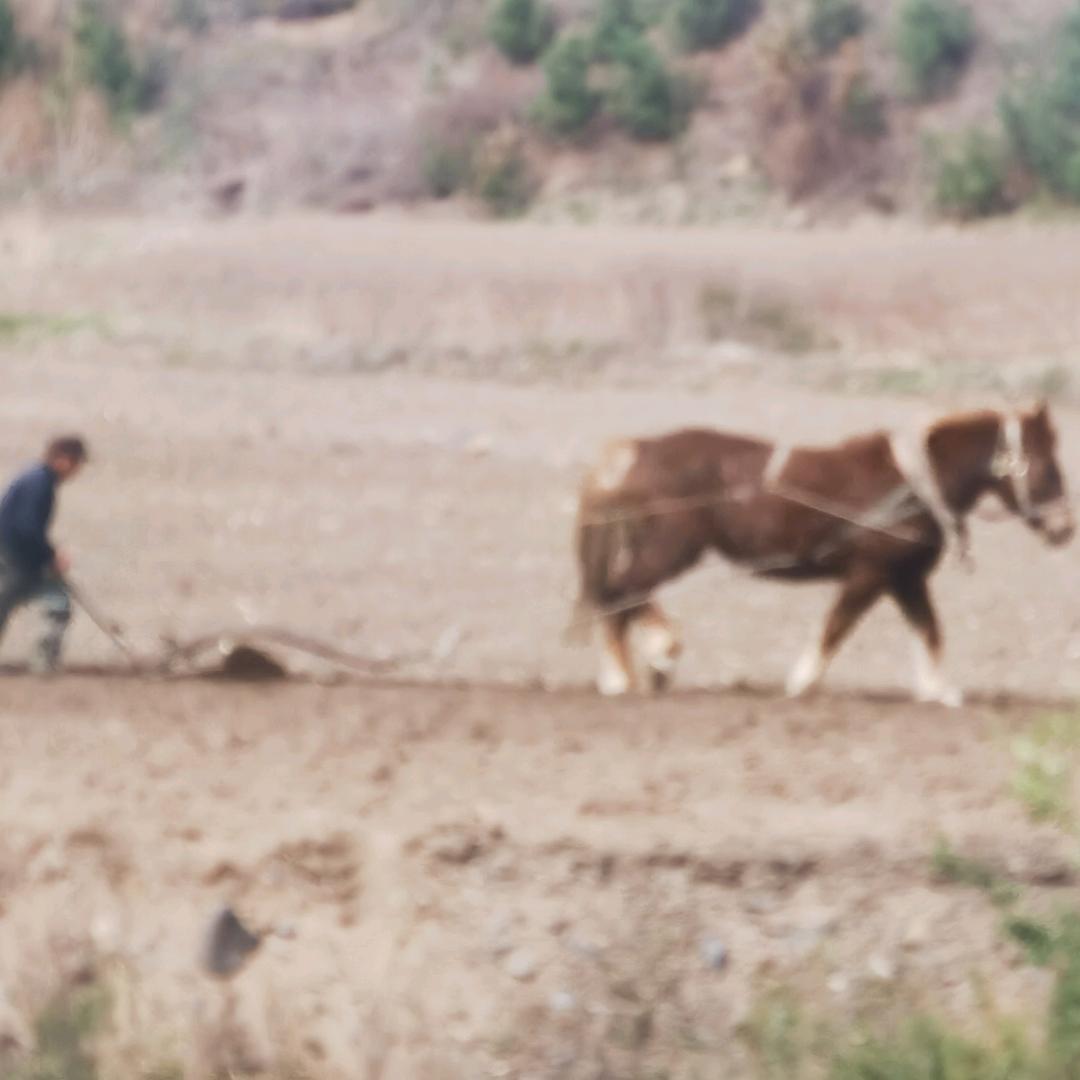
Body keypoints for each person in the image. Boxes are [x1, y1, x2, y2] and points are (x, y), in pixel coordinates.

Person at [0, 435, 88, 674]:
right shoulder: (39, 483)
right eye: (77, 463)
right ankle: (43, 664)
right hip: (14, 558)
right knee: (54, 605)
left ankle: (44, 664)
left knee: (56, 604)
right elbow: (25, 528)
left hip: (21, 557)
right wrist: (50, 556)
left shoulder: (36, 479)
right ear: (63, 460)